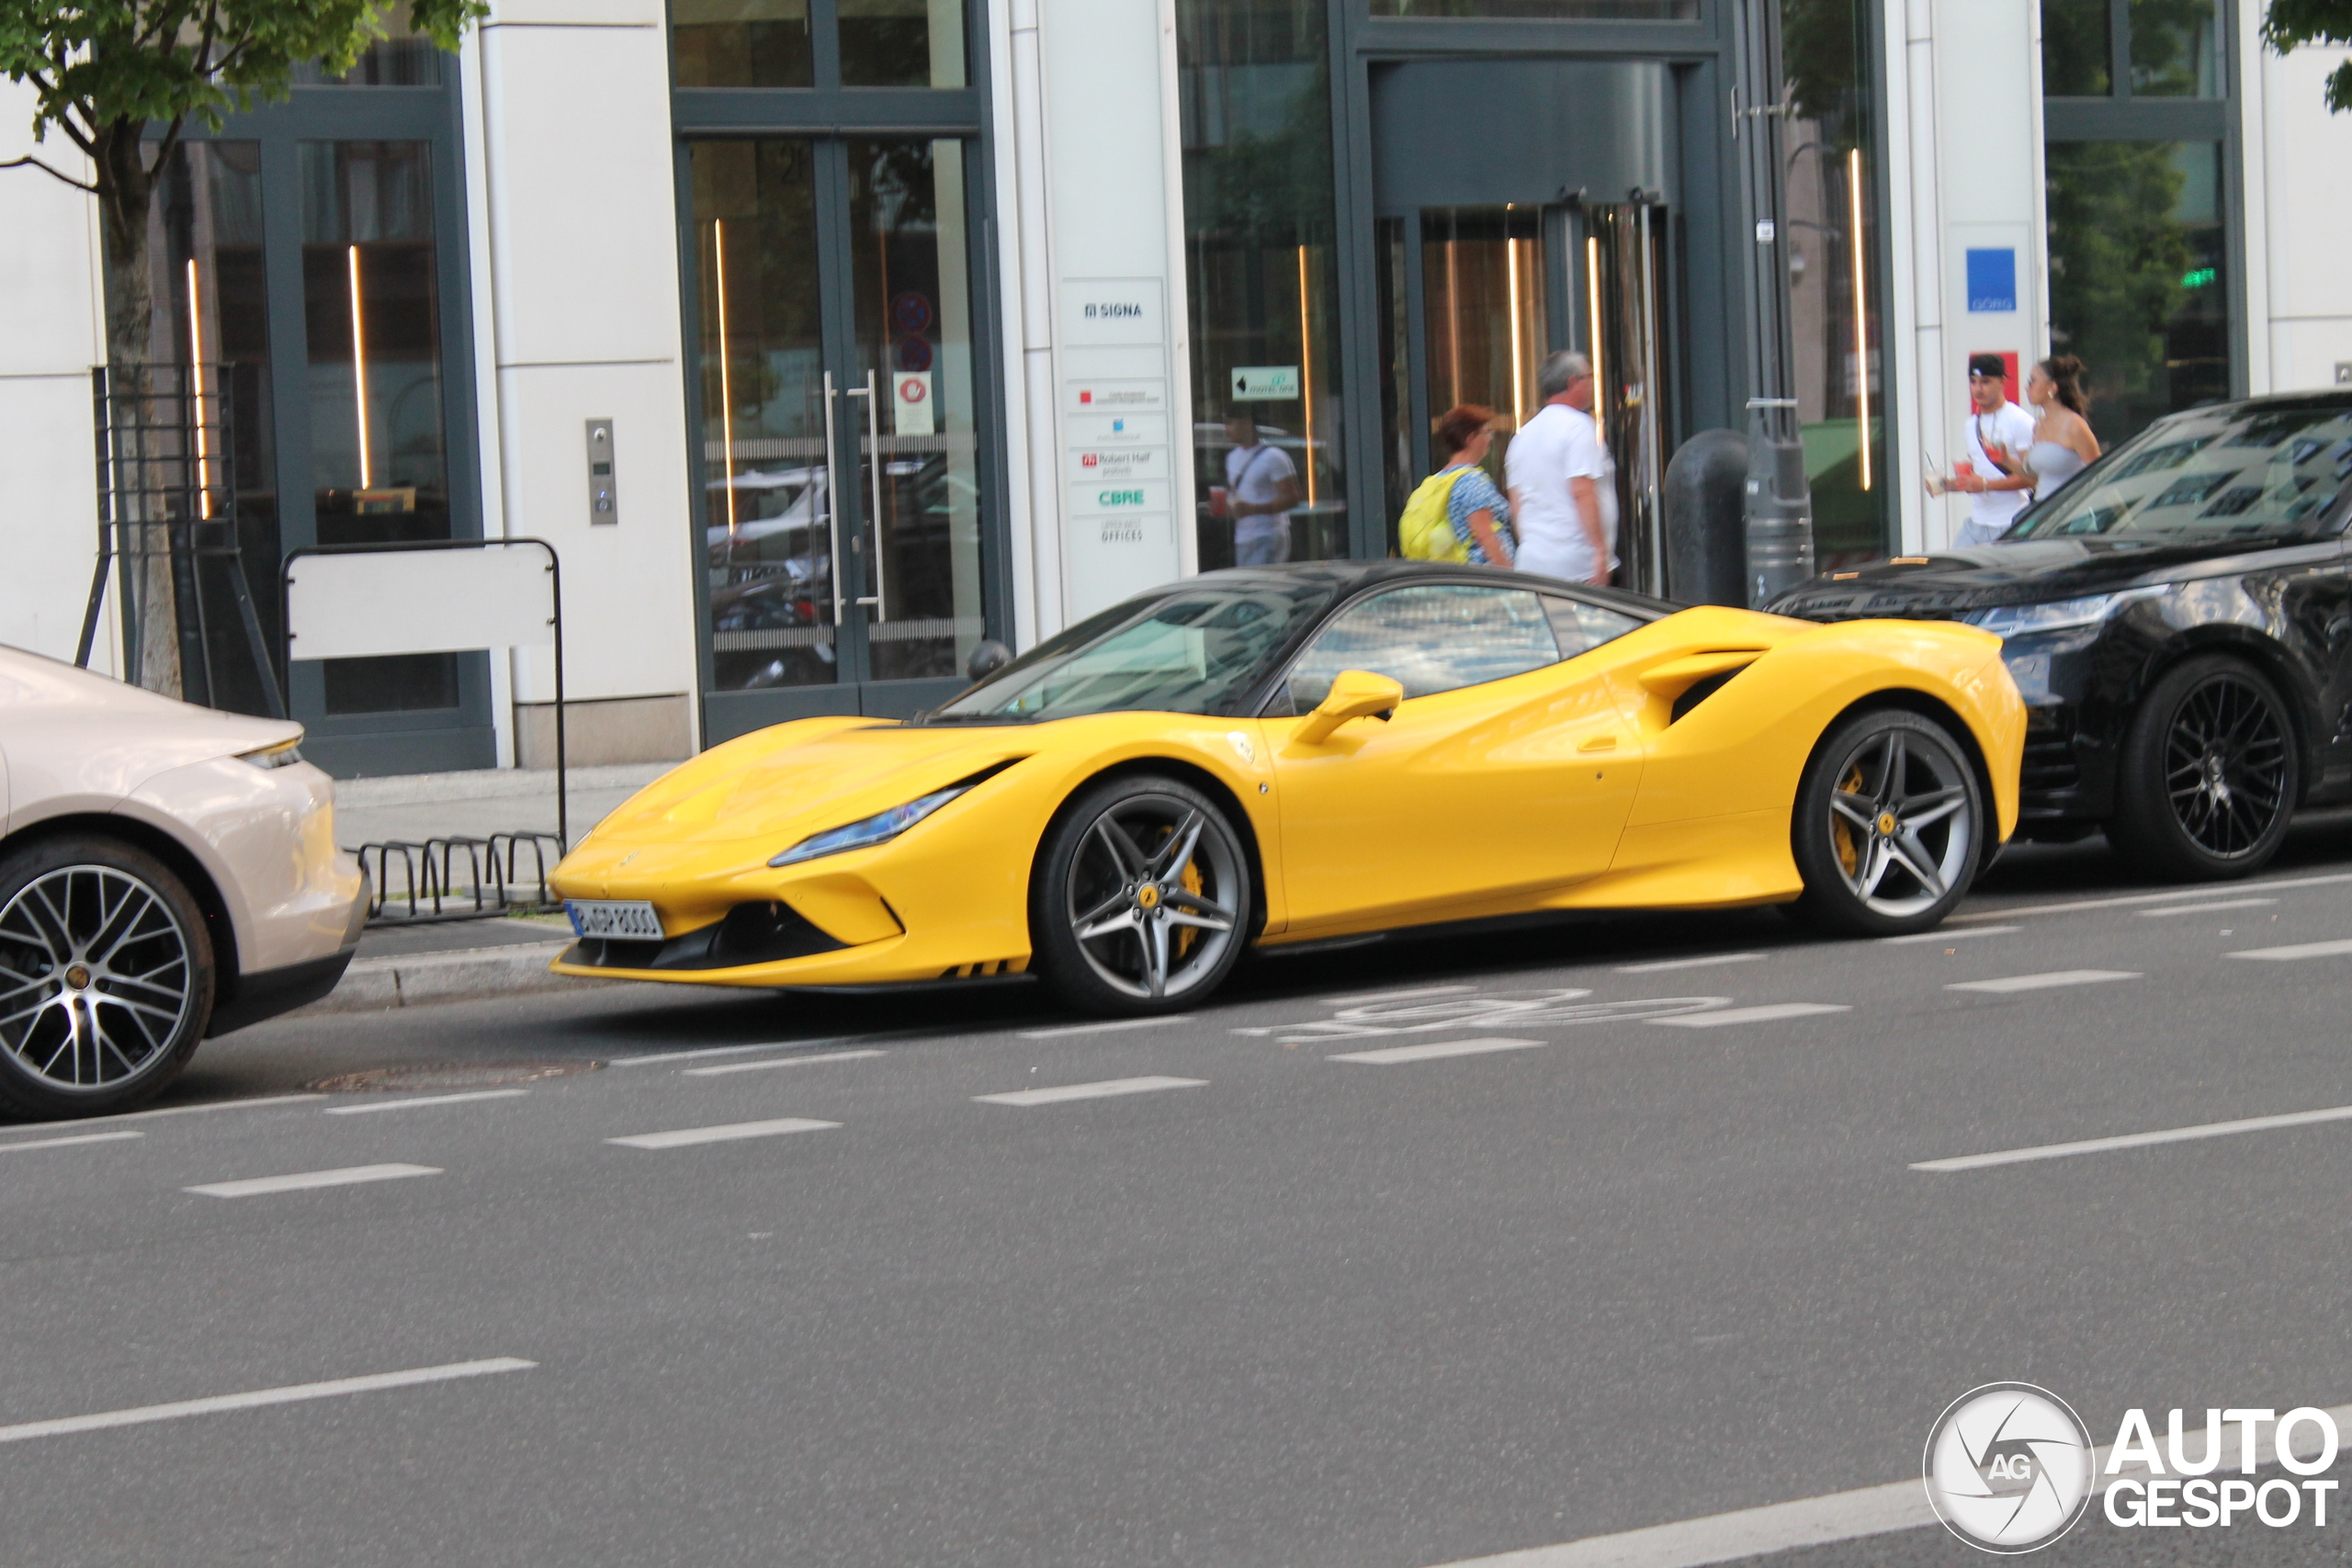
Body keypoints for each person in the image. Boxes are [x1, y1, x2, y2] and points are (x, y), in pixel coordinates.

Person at [1507, 351, 1616, 584]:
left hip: (1532, 564)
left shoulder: (1522, 437)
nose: (1593, 384)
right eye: (1590, 377)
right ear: (1573, 382)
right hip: (1577, 566)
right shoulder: (1578, 427)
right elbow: (1582, 491)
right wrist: (1599, 551)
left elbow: (1517, 505)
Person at [1398, 404, 1516, 565]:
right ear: (1470, 438)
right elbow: (1485, 535)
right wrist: (1509, 576)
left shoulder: (1438, 480)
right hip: (1483, 581)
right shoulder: (1472, 481)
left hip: (1457, 577)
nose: (1490, 438)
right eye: (1487, 432)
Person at [1942, 353, 2038, 546]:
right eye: (1973, 382)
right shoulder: (1971, 424)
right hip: (1976, 522)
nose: (1978, 389)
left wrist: (1985, 485)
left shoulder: (2020, 421)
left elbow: (2032, 477)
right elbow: (1979, 475)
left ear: (2002, 382)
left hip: (2011, 521)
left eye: (1985, 382)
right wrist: (1951, 485)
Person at [1223, 413, 1301, 567]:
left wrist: (1252, 509)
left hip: (1268, 535)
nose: (1226, 429)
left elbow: (1293, 498)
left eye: (1230, 423)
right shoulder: (1232, 457)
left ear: (1247, 423)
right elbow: (1237, 494)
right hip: (1243, 537)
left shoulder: (1274, 457)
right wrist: (1226, 508)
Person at [2018, 355, 2100, 498]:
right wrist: (2004, 459)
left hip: (2070, 512)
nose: (2027, 387)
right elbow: (2036, 478)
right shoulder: (2039, 425)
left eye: (2032, 382)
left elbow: (2099, 472)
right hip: (2044, 509)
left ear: (2052, 387)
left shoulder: (2074, 425)